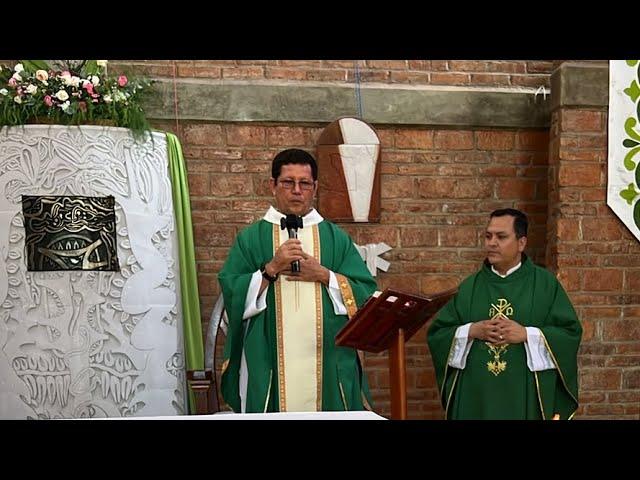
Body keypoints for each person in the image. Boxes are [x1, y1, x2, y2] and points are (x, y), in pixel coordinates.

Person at [218, 148, 377, 413]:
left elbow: (366, 293)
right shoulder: (251, 238)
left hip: (328, 358)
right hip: (269, 359)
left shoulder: (335, 238)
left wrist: (324, 275)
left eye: (304, 183)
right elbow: (232, 295)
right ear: (273, 185)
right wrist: (270, 269)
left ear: (314, 187)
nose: (296, 190)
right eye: (287, 182)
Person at [427, 208, 582, 420]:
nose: (491, 242)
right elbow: (438, 334)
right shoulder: (470, 287)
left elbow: (570, 334)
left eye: (501, 237)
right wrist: (472, 330)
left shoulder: (546, 285)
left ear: (521, 243)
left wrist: (526, 334)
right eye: (488, 236)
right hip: (475, 398)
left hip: (523, 397)